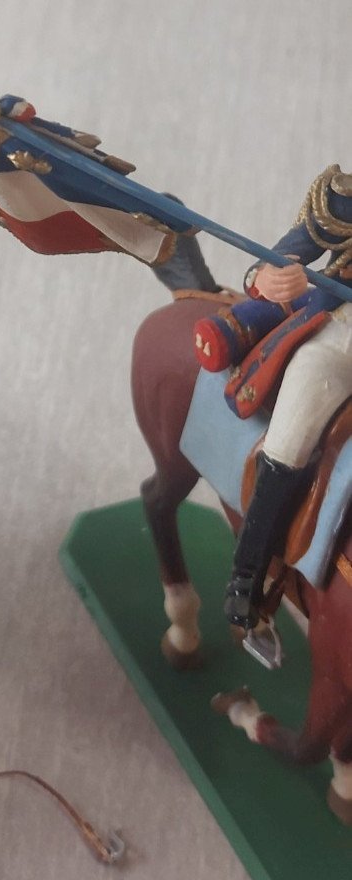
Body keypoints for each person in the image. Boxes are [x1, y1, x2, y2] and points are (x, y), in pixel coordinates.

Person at [193, 165, 352, 630]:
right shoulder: (345, 200)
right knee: (289, 444)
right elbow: (284, 253)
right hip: (341, 341)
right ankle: (247, 577)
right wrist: (269, 276)